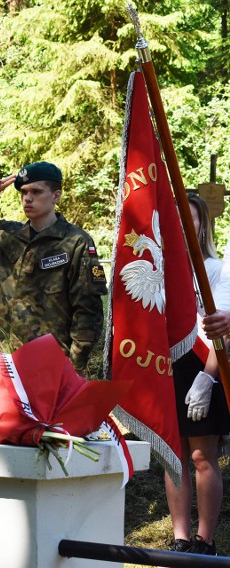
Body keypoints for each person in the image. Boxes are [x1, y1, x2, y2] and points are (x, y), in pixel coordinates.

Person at [0, 161, 107, 372]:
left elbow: (88, 311)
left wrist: (73, 367)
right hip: (0, 361)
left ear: (56, 196)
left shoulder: (75, 242)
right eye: (23, 192)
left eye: (36, 192)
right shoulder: (4, 236)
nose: (27, 198)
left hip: (49, 364)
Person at [164, 194, 229, 556]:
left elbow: (222, 330)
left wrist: (207, 379)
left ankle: (205, 540)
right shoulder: (158, 270)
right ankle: (180, 538)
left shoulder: (216, 269)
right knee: (174, 456)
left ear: (203, 224)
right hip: (167, 367)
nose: (184, 226)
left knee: (203, 457)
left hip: (205, 366)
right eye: (176, 219)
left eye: (190, 219)